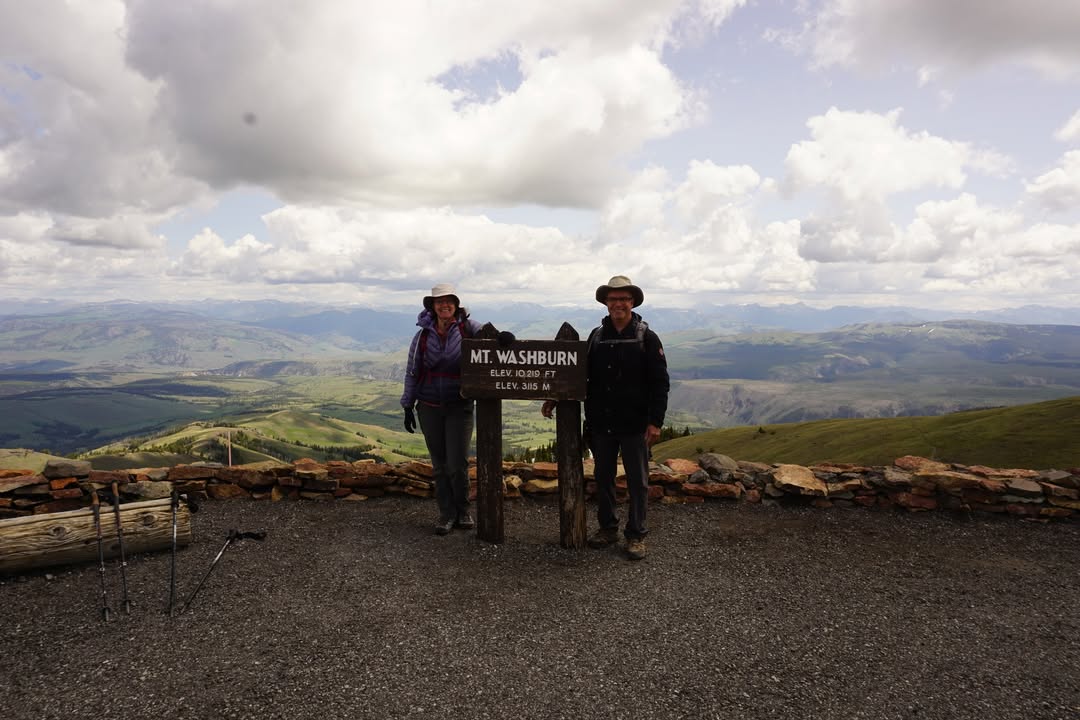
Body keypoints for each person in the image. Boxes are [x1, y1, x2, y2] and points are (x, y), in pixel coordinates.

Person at [543, 275, 669, 560]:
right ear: (606, 303)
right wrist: (553, 396)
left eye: (623, 299)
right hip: (602, 422)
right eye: (613, 299)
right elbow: (578, 376)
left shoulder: (646, 337)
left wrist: (655, 421)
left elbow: (660, 382)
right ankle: (608, 528)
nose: (618, 304)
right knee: (603, 478)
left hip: (635, 423)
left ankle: (636, 535)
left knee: (638, 481)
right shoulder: (597, 336)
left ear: (632, 301)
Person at [401, 283, 484, 535]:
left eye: (449, 300)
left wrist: (504, 338)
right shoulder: (423, 335)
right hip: (428, 407)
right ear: (433, 306)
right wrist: (408, 405)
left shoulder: (469, 327)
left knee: (457, 464)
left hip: (459, 405)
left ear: (456, 304)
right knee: (439, 465)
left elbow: (491, 337)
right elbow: (412, 371)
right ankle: (446, 514)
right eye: (439, 301)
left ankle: (463, 511)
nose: (444, 304)